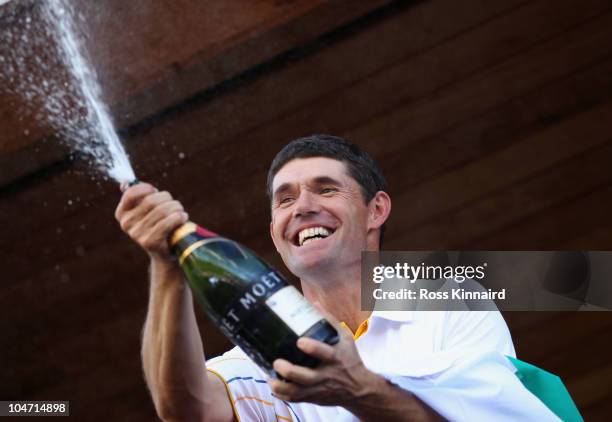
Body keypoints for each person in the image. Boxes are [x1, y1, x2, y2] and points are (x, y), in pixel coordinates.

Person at [115, 135, 560, 421]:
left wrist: (358, 390)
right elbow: (187, 408)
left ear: (376, 210)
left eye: (326, 189)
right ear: (275, 231)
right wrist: (166, 265)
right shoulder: (257, 356)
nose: (302, 207)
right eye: (284, 200)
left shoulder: (447, 299)